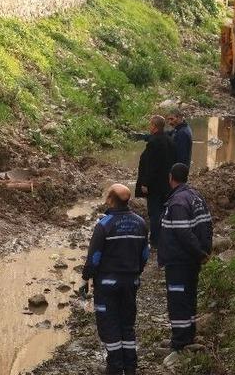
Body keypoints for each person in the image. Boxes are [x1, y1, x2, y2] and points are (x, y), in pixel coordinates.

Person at [81, 184, 149, 375]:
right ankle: (130, 367)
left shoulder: (104, 225)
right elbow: (145, 254)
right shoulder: (140, 223)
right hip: (130, 283)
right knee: (127, 324)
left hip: (107, 285)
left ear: (111, 200)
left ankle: (115, 367)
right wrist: (136, 273)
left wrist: (86, 277)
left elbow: (94, 257)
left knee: (109, 325)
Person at [158, 163, 213, 366]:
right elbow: (208, 225)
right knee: (188, 296)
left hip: (180, 261)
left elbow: (183, 234)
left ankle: (180, 344)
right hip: (189, 259)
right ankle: (186, 336)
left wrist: (199, 254)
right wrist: (205, 251)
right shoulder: (195, 196)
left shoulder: (178, 202)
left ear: (171, 177)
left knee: (178, 300)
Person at [135, 115, 176, 248]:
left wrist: (145, 183)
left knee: (154, 212)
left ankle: (155, 241)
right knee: (164, 211)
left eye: (150, 125)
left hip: (154, 185)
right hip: (167, 183)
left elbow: (151, 166)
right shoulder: (169, 140)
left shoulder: (154, 143)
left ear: (154, 126)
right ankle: (164, 237)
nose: (149, 127)